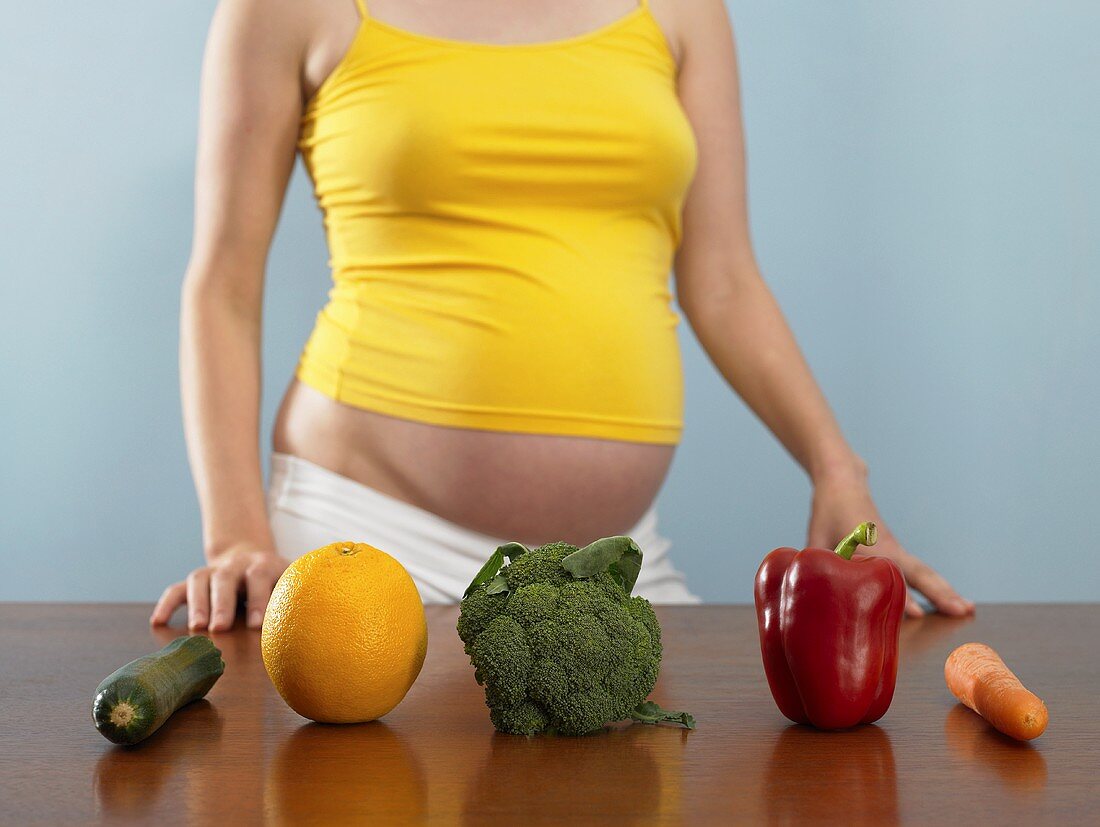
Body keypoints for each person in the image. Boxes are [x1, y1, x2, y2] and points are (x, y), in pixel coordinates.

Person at [151, 0, 974, 631]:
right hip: (359, 538)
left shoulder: (680, 10)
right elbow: (222, 283)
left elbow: (724, 278)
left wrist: (838, 471)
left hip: (616, 568)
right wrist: (235, 538)